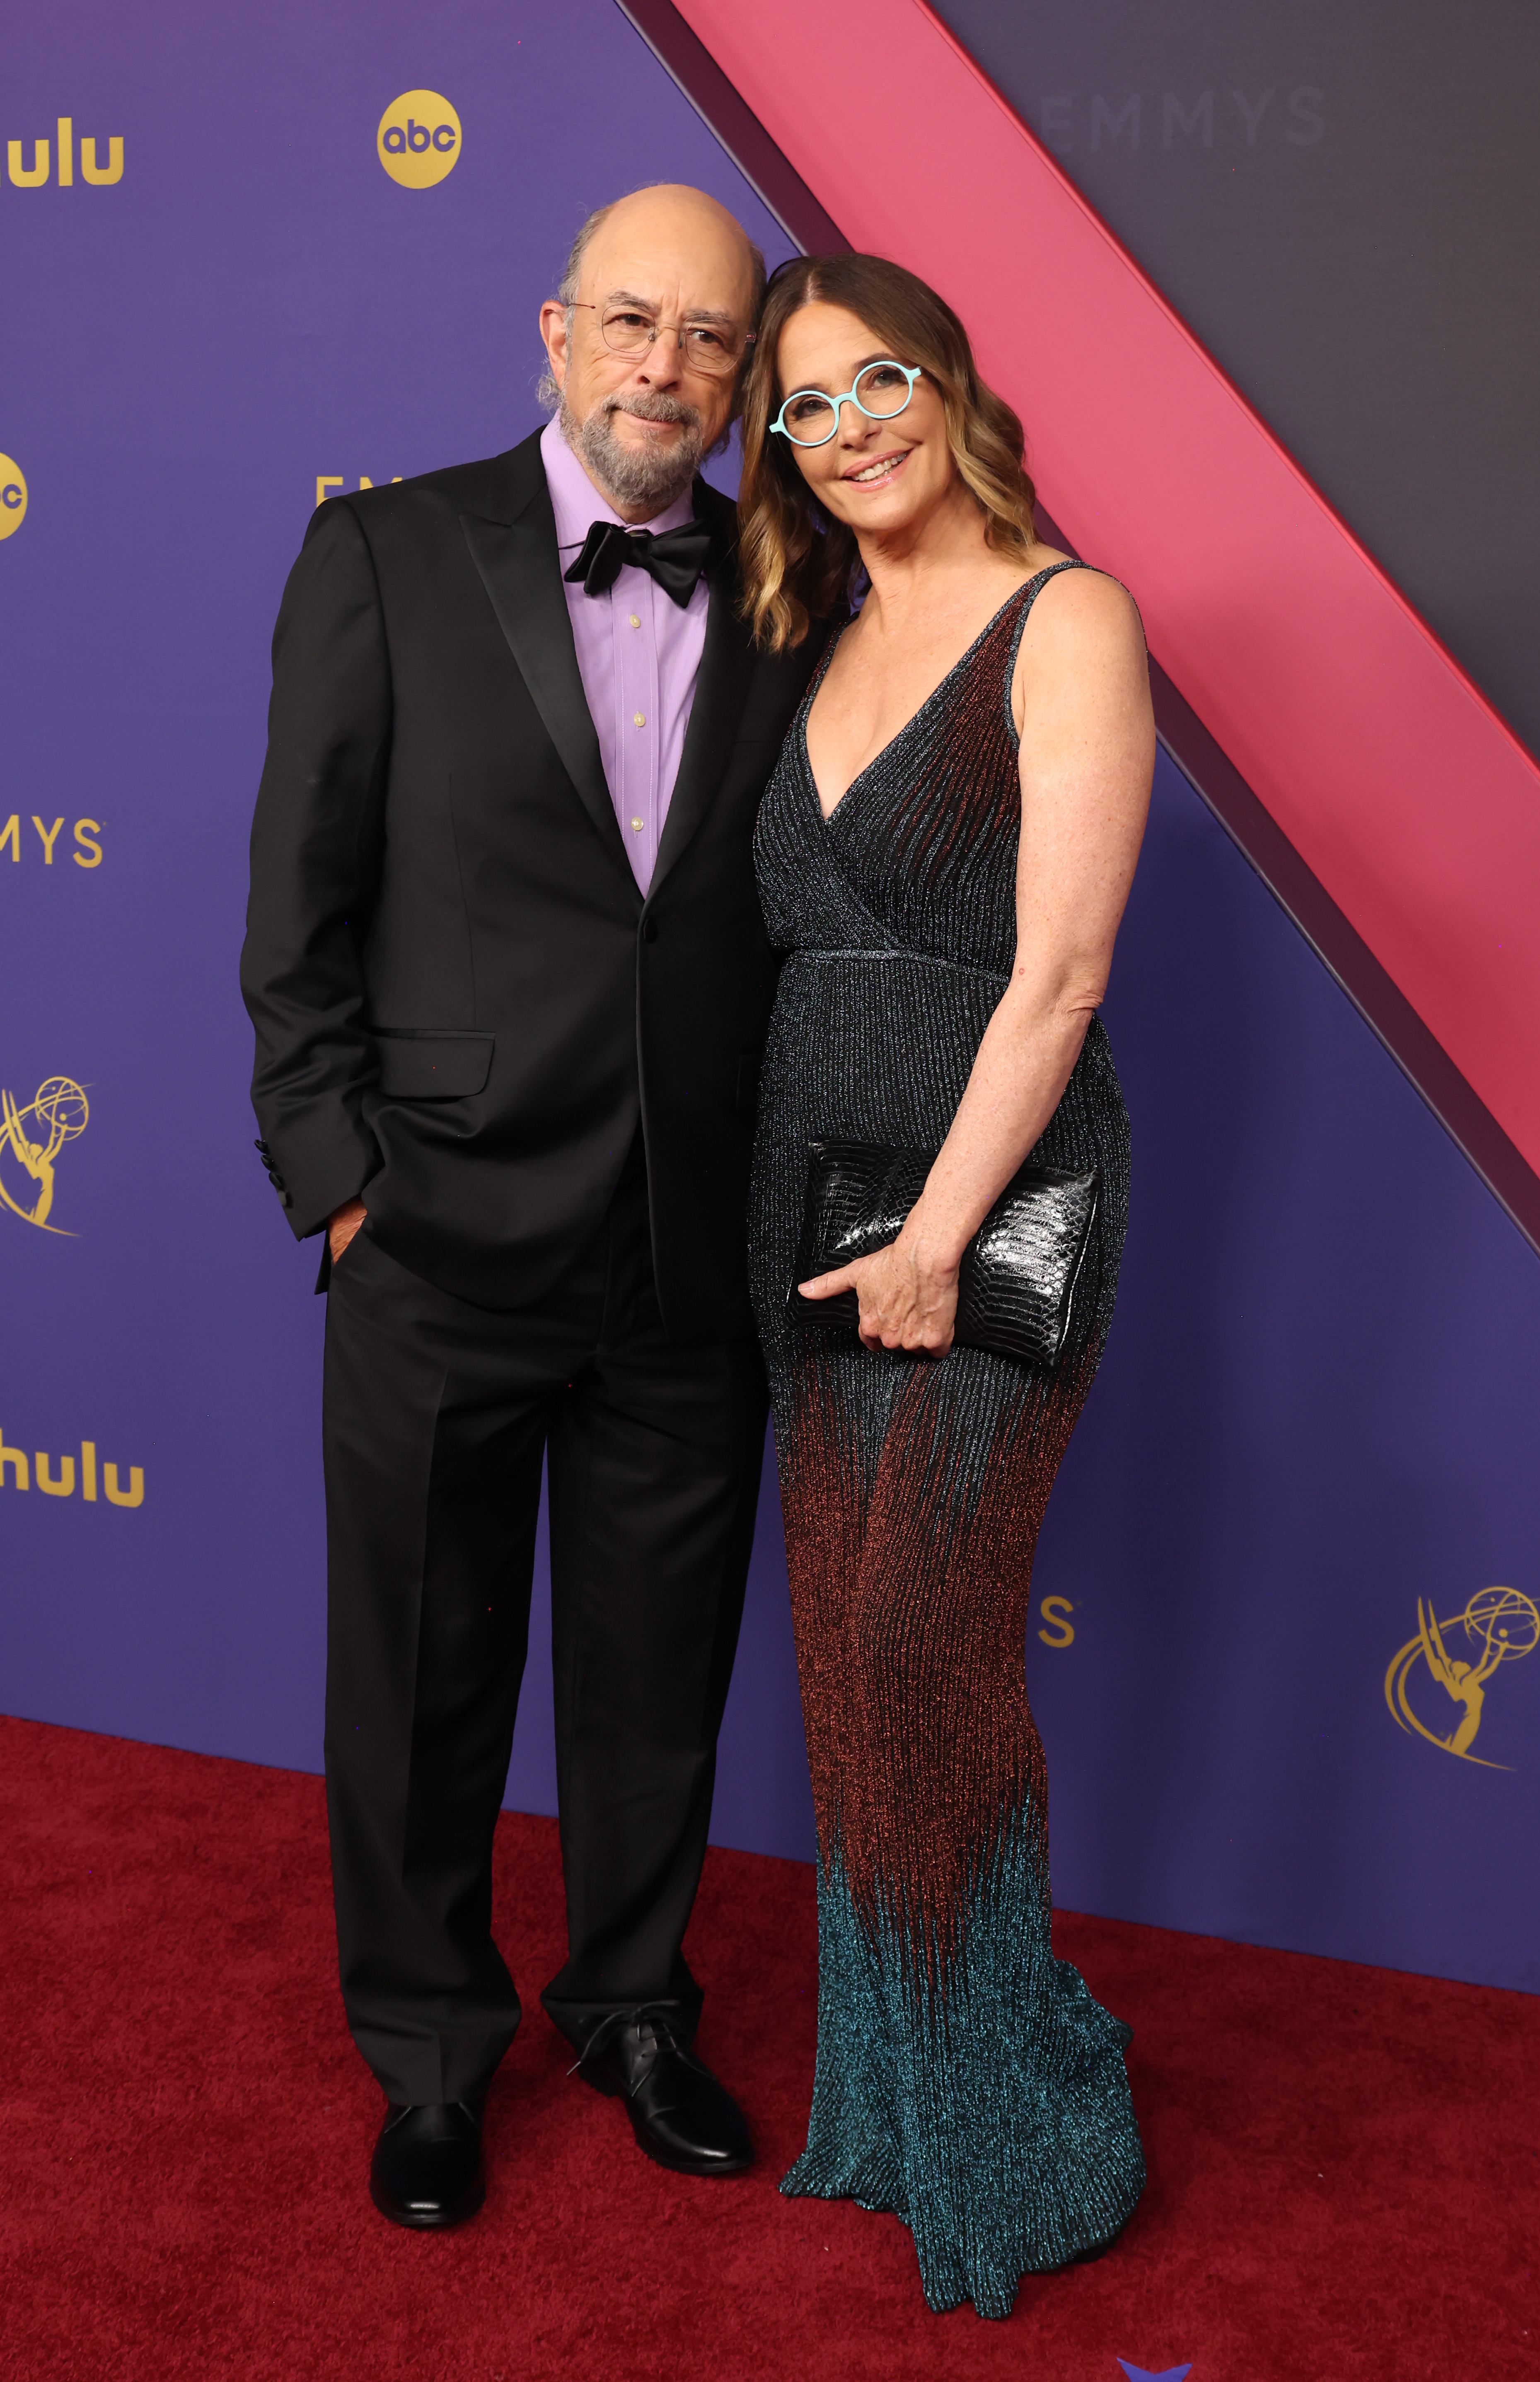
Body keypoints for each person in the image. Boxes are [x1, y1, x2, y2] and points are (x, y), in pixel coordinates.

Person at [240, 185, 828, 2230]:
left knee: (658, 1668)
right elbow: (294, 916)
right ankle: (424, 2049)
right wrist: (339, 1189)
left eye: (713, 341)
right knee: (415, 1673)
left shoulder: (794, 580)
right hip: (438, 1232)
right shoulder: (389, 551)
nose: (670, 367)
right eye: (634, 325)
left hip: (690, 1240)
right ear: (557, 333)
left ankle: (634, 2007)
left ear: (747, 375)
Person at [738, 254, 1156, 2318]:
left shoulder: (1062, 617)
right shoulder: (809, 632)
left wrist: (930, 1238)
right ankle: (896, 2109)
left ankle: (1025, 2127)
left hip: (983, 1223)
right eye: (802, 407)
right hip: (800, 1209)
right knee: (843, 1663)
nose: (845, 428)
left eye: (873, 377)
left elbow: (1059, 975)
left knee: (926, 1649)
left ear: (947, 379)